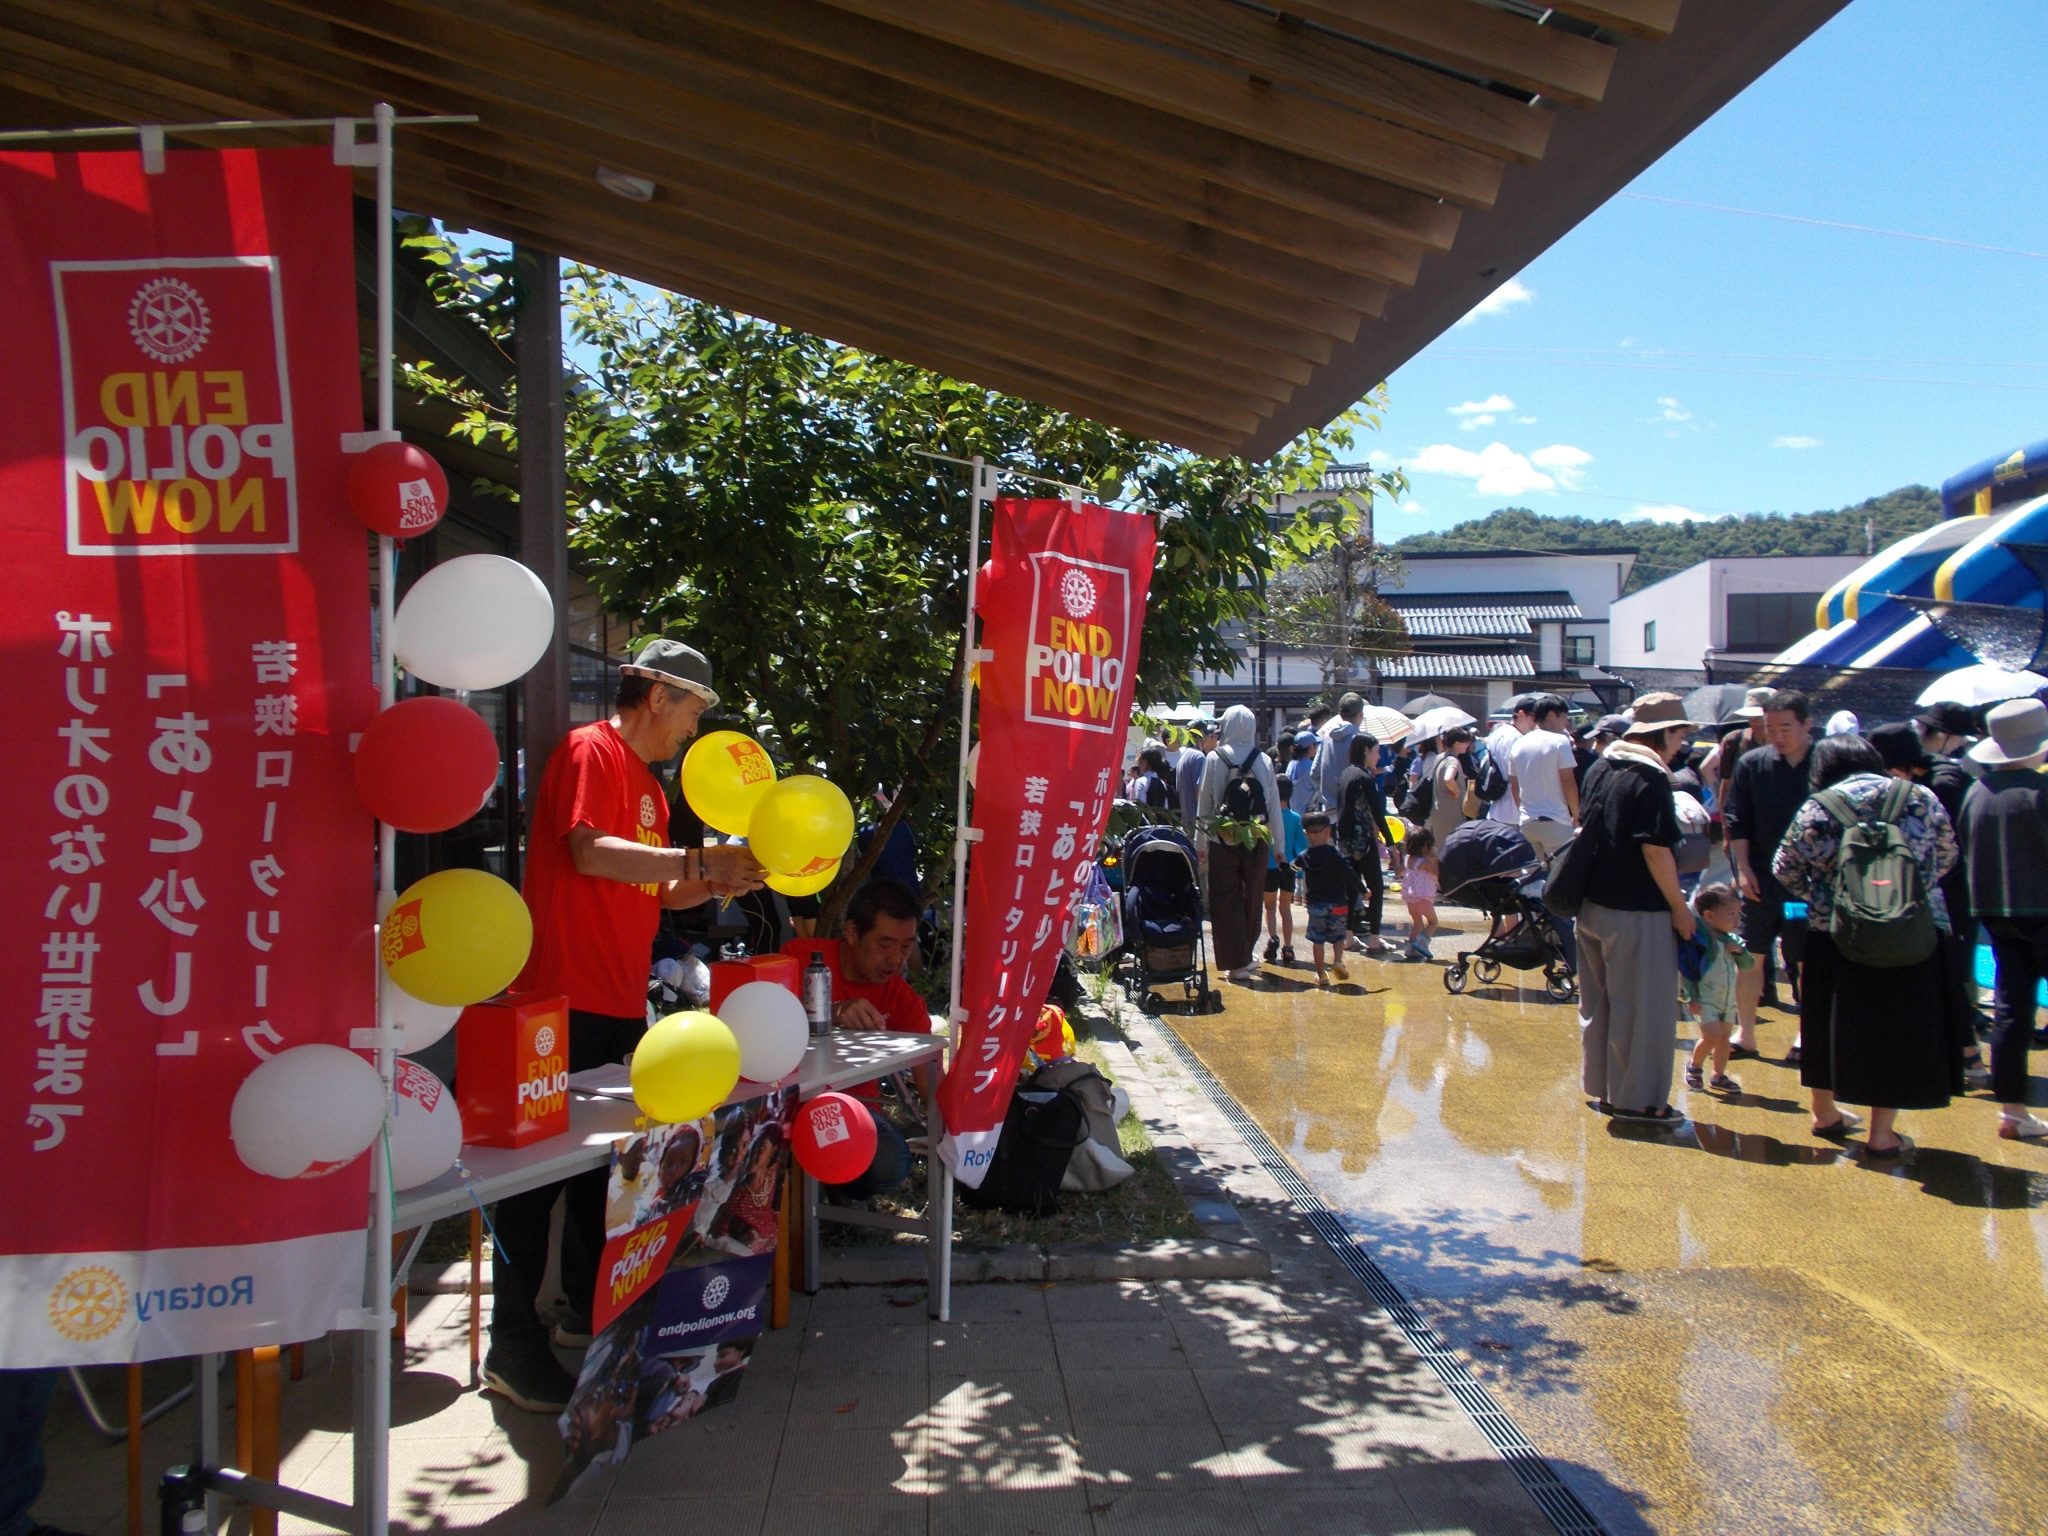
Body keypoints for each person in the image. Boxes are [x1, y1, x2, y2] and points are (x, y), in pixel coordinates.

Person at [487, 639, 764, 1412]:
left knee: (597, 1173)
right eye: (693, 712)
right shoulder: (590, 751)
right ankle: (512, 1346)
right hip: (557, 997)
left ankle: (584, 1313)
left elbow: (660, 891)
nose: (692, 731)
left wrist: (719, 874)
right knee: (530, 1184)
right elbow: (591, 854)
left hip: (613, 997)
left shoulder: (647, 784)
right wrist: (696, 862)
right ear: (658, 697)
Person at [1774, 733, 1962, 1156]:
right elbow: (1947, 854)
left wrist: (1828, 898)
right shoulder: (1918, 797)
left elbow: (1784, 868)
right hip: (1911, 933)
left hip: (1835, 933)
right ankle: (1882, 1134)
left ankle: (1825, 1113)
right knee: (1893, 1029)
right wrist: (1902, 898)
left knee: (1825, 1024)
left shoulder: (1818, 806)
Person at [1575, 692, 1699, 1125]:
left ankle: (1603, 1088)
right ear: (1662, 734)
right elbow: (1655, 850)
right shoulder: (1651, 777)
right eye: (1679, 735)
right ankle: (1640, 1102)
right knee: (1642, 1011)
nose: (1681, 746)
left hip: (1591, 903)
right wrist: (1680, 907)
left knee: (1600, 1005)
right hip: (1638, 910)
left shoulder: (1601, 767)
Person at [1871, 722, 1991, 1087]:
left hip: (1950, 899)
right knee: (1946, 978)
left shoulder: (1940, 787)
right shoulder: (1936, 777)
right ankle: (1956, 1056)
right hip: (1944, 895)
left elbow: (1950, 852)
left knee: (1950, 977)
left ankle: (1969, 1058)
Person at [1957, 698, 2048, 1141]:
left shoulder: (1977, 791)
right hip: (2042, 909)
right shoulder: (2041, 791)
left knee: (2011, 1010)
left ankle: (2012, 1112)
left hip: (1995, 914)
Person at [811, 878, 930, 1193]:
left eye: (906, 947)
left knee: (889, 1163)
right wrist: (829, 1012)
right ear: (852, 933)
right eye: (885, 945)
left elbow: (930, 1080)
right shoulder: (806, 962)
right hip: (786, 1108)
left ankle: (835, 1189)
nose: (896, 960)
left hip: (852, 1113)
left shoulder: (902, 999)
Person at [1723, 689, 1814, 1058]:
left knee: (1803, 958)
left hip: (1803, 888)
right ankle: (1745, 1033)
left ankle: (1807, 1036)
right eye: (1769, 728)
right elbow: (1737, 819)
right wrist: (1743, 869)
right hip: (1759, 880)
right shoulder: (1752, 763)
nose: (1776, 736)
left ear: (1807, 725)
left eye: (1785, 728)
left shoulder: (1823, 764)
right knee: (1750, 955)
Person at [1199, 705, 1285, 983]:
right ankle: (1245, 955)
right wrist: (1279, 846)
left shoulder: (1215, 757)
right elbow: (1273, 805)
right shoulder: (1264, 760)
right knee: (1253, 896)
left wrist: (1200, 843)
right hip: (1256, 838)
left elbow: (1205, 802)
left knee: (1225, 898)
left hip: (1221, 838)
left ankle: (1234, 962)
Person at [1681, 884, 1753, 1093]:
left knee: (1724, 1039)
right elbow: (1689, 970)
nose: (1737, 920)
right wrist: (1691, 997)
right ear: (1709, 916)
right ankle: (1694, 1066)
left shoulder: (1733, 940)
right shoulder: (1700, 941)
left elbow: (1748, 965)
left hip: (1727, 1000)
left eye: (1738, 913)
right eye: (1731, 914)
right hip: (1706, 999)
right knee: (1711, 1036)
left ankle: (1718, 1075)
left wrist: (1740, 952)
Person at [1337, 733, 1397, 953]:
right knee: (1377, 888)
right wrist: (1391, 843)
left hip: (1345, 840)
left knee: (1352, 890)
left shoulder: (1345, 774)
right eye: (1376, 751)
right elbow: (1378, 813)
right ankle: (1374, 938)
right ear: (1365, 751)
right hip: (1363, 841)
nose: (1378, 756)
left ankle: (1348, 937)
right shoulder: (1364, 777)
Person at [1508, 694, 1581, 860]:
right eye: (1564, 717)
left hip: (1527, 822)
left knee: (1535, 872)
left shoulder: (1518, 744)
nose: (1566, 723)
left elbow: (1514, 785)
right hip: (1556, 821)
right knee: (1562, 873)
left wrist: (1522, 812)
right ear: (1552, 715)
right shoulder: (1560, 741)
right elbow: (1568, 782)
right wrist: (1576, 815)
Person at [1295, 812, 1363, 986]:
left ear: (1305, 834)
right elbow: (1349, 872)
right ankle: (1338, 961)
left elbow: (1291, 868)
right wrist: (1363, 890)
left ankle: (1321, 975)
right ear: (1328, 832)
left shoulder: (1304, 856)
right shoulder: (1335, 854)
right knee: (1339, 936)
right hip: (1338, 904)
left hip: (1316, 906)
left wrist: (1283, 865)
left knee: (1318, 940)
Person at [1264, 776, 1307, 964]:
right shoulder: (1296, 818)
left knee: (1270, 907)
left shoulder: (1266, 819)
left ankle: (1273, 938)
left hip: (1269, 867)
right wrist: (1301, 871)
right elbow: (1301, 846)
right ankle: (1288, 946)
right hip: (1288, 867)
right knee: (1285, 908)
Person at [1481, 695, 1533, 828]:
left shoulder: (1499, 732)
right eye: (1534, 717)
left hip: (1496, 806)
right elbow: (1516, 775)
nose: (1535, 723)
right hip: (1513, 811)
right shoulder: (1516, 738)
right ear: (1521, 714)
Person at [1310, 692, 1365, 811]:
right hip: (1353, 809)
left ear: (1340, 715)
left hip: (1329, 809)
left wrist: (1327, 792)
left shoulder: (1326, 738)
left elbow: (1314, 772)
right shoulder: (1360, 740)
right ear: (1361, 714)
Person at [1425, 726, 1474, 849]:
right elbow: (1448, 778)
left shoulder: (1439, 757)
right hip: (1452, 812)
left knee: (1441, 849)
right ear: (1457, 743)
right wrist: (1456, 791)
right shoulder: (1453, 761)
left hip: (1437, 810)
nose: (1468, 745)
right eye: (1466, 742)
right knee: (1453, 849)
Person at [1398, 826, 1441, 961]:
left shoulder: (1407, 859)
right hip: (1423, 898)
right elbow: (1437, 873)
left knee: (1417, 924)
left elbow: (1398, 872)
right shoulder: (1424, 863)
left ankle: (1410, 949)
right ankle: (1422, 943)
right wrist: (1435, 859)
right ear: (1425, 847)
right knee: (1433, 922)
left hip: (1410, 898)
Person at [1175, 717, 1217, 833]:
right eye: (1208, 734)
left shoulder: (1184, 755)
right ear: (1201, 736)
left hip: (1186, 823)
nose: (1209, 738)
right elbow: (1199, 792)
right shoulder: (1198, 757)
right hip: (1197, 825)